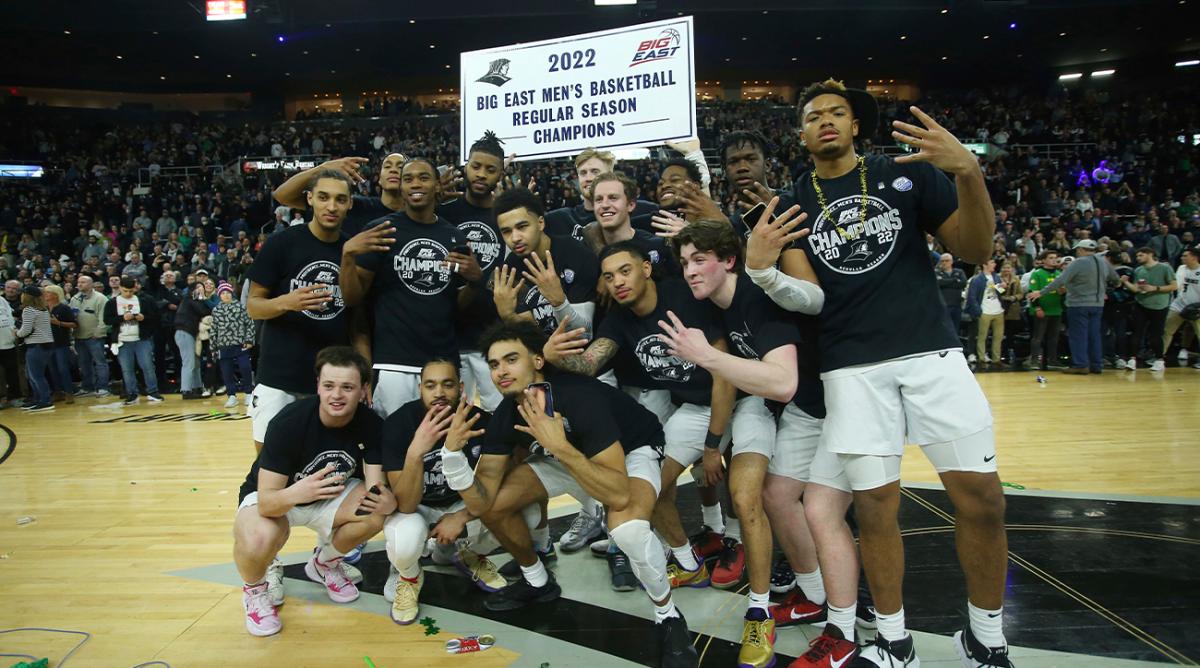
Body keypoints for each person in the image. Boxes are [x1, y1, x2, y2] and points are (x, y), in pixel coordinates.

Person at [780, 79, 1010, 666]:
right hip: (850, 366)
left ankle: (986, 637)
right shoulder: (791, 203)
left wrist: (968, 174)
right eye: (813, 115)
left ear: (857, 125)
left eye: (838, 112)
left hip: (930, 352)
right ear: (801, 133)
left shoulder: (906, 173)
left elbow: (974, 249)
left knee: (982, 498)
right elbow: (807, 296)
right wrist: (763, 268)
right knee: (876, 507)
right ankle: (894, 639)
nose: (826, 120)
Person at [444, 320, 698, 668]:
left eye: (511, 359)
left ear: (537, 361)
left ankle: (668, 616)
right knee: (497, 506)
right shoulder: (506, 413)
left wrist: (559, 447)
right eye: (493, 364)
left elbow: (618, 493)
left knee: (629, 530)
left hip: (631, 451)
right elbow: (482, 501)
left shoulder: (580, 396)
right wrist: (451, 457)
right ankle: (537, 582)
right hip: (565, 455)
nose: (501, 371)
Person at [660, 221, 824, 668]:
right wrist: (713, 441)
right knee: (772, 497)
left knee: (760, 496)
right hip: (759, 402)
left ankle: (760, 608)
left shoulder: (755, 297)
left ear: (728, 260)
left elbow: (784, 382)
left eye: (699, 260)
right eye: (684, 263)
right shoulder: (711, 303)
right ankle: (812, 593)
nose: (690, 271)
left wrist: (706, 356)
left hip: (814, 406)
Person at [540, 242, 747, 595]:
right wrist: (551, 356)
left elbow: (723, 374)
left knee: (746, 487)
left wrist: (713, 445)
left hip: (741, 398)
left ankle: (736, 542)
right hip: (695, 408)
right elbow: (589, 364)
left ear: (646, 269)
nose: (617, 281)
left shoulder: (684, 297)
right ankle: (688, 562)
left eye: (625, 271)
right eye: (608, 276)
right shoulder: (619, 319)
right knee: (652, 487)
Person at [232, 346, 395, 637]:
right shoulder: (288, 423)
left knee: (375, 514)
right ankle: (255, 590)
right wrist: (299, 492)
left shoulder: (371, 424)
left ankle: (324, 564)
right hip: (278, 497)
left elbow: (374, 488)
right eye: (329, 385)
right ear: (317, 386)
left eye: (347, 387)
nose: (337, 395)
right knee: (261, 538)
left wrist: (385, 499)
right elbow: (268, 503)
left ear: (363, 390)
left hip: (327, 495)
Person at [380, 359, 516, 624]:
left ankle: (465, 553)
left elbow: (493, 487)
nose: (439, 392)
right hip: (417, 507)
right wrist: (416, 452)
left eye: (447, 384)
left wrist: (462, 516)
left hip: (460, 504)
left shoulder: (481, 421)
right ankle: (408, 574)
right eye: (430, 385)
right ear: (420, 389)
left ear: (461, 387)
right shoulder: (399, 424)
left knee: (520, 512)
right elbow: (405, 504)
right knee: (405, 541)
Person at [341, 157, 472, 418]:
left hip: (442, 363)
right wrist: (347, 256)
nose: (415, 184)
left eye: (423, 177)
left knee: (441, 445)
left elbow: (457, 305)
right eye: (408, 178)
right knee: (392, 444)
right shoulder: (381, 230)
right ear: (400, 187)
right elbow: (353, 297)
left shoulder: (455, 236)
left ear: (437, 186)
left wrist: (476, 281)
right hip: (393, 362)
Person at [438, 132, 508, 412]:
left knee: (501, 417)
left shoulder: (508, 217)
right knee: (450, 419)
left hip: (494, 336)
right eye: (476, 166)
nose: (481, 175)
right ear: (465, 166)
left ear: (500, 174)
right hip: (449, 335)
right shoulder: (443, 213)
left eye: (490, 170)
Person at [491, 187, 598, 338]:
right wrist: (508, 316)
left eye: (522, 227)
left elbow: (583, 334)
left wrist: (559, 302)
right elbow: (530, 340)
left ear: (540, 223)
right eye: (506, 231)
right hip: (540, 358)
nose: (515, 238)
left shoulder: (576, 255)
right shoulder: (510, 270)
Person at [1029, 239, 1120, 374]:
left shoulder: (1078, 263)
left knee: (1078, 335)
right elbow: (1116, 280)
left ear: (1081, 250)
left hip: (1079, 304)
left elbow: (1060, 280)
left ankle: (1080, 364)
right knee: (1094, 335)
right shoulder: (1104, 262)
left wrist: (1041, 292)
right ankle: (1096, 365)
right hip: (1098, 304)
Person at [271, 153, 406, 236]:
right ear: (379, 178)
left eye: (400, 167)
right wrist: (324, 167)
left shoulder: (421, 217)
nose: (393, 170)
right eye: (387, 166)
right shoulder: (351, 206)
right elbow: (282, 195)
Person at [544, 148, 659, 241]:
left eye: (595, 172)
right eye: (583, 173)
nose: (588, 178)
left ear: (609, 175)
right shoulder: (560, 219)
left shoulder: (645, 210)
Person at [579, 172, 678, 278]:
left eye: (613, 198)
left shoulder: (658, 246)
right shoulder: (583, 251)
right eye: (599, 200)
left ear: (631, 205)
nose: (605, 205)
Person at [104, 276, 164, 405]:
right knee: (127, 368)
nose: (128, 293)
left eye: (131, 291)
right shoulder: (112, 302)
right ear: (120, 288)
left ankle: (153, 391)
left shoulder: (144, 300)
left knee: (148, 366)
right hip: (122, 339)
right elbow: (107, 320)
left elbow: (155, 317)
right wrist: (122, 318)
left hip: (141, 338)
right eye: (125, 291)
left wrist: (144, 318)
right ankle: (131, 393)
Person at [1124, 247, 1177, 372]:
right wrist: (1126, 283)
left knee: (1155, 335)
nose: (1138, 258)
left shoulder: (1165, 268)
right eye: (1137, 256)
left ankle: (1159, 360)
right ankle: (1132, 359)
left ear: (1150, 254)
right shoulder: (1139, 270)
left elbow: (1174, 286)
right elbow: (1137, 288)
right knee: (1137, 332)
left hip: (1159, 305)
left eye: (1141, 255)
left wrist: (1155, 288)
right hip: (1141, 303)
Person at [210, 281, 255, 408]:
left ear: (232, 293)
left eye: (228, 293)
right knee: (226, 371)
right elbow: (213, 330)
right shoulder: (216, 310)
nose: (226, 295)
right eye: (223, 293)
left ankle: (248, 393)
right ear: (219, 295)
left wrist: (249, 340)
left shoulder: (241, 307)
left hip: (240, 344)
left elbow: (250, 324)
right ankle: (231, 395)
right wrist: (213, 347)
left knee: (245, 367)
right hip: (223, 345)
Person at [15, 286, 55, 411]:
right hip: (46, 344)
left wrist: (16, 333)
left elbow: (25, 330)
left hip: (36, 345)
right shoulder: (43, 309)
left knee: (35, 375)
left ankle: (45, 400)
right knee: (34, 374)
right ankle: (37, 399)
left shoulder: (29, 310)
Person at [69, 275, 110, 396]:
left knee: (100, 362)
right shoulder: (75, 298)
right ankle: (87, 387)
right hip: (79, 336)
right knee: (83, 363)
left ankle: (103, 387)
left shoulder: (100, 298)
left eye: (83, 282)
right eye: (79, 282)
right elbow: (72, 316)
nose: (80, 284)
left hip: (94, 337)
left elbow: (104, 318)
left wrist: (98, 333)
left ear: (91, 284)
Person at [1163, 246, 1200, 368]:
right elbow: (1176, 285)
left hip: (1196, 308)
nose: (1182, 257)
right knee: (1166, 331)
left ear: (1194, 258)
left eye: (1186, 255)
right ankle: (1159, 357)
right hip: (1178, 305)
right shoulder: (1181, 268)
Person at [966, 260, 1006, 371]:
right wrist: (979, 311)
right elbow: (972, 297)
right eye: (992, 263)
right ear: (984, 265)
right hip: (985, 311)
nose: (995, 264)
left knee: (998, 337)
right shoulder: (977, 279)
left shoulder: (996, 277)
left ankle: (996, 360)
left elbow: (999, 292)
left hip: (998, 310)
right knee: (982, 337)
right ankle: (982, 359)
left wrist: (1003, 287)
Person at [1027, 250, 1064, 370]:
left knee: (1054, 337)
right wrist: (1037, 307)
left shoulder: (1059, 273)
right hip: (1042, 309)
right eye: (1051, 258)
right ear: (1043, 260)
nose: (1054, 260)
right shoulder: (1037, 274)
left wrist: (1063, 292)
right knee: (1038, 337)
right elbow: (1032, 292)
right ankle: (1034, 361)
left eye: (1055, 258)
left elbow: (1063, 292)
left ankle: (1052, 360)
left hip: (1056, 309)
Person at [175, 281, 212, 398]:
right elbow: (204, 311)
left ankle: (197, 387)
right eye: (198, 287)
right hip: (184, 332)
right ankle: (186, 390)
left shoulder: (194, 301)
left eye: (202, 287)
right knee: (189, 362)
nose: (201, 289)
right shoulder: (188, 300)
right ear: (192, 290)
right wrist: (204, 297)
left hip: (190, 334)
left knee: (195, 362)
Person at [42, 285, 77, 402]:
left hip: (61, 343)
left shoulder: (64, 308)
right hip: (47, 343)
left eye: (47, 293)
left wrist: (58, 323)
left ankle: (69, 392)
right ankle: (58, 392)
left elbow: (74, 324)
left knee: (63, 368)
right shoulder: (43, 308)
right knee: (52, 369)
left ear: (55, 295)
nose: (45, 295)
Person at [936, 253, 968, 336]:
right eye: (942, 261)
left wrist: (946, 282)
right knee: (944, 329)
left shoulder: (959, 271)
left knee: (955, 329)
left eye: (947, 261)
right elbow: (939, 283)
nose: (944, 263)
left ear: (951, 262)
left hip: (956, 305)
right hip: (944, 306)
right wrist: (954, 280)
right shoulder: (937, 272)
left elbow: (963, 283)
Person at [0, 295, 21, 407]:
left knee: (12, 372)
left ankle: (14, 397)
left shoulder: (2, 300)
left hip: (8, 343)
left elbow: (10, 317)